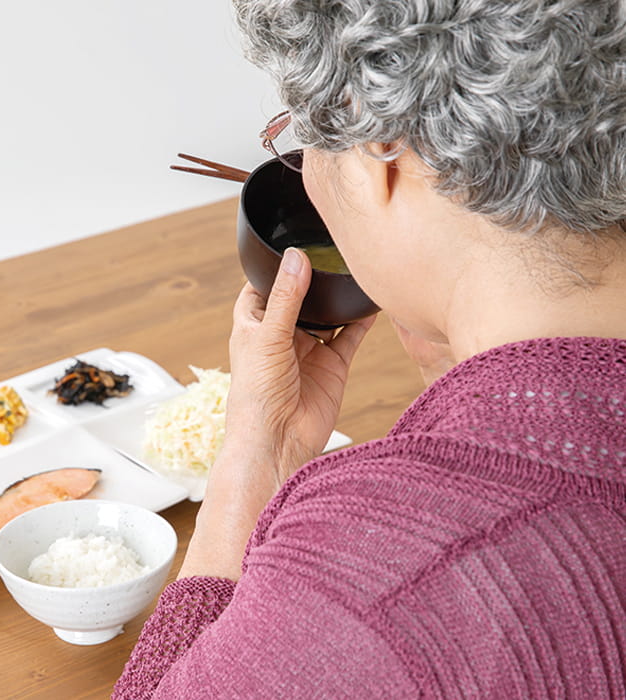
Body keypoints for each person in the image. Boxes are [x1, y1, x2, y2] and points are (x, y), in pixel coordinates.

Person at [114, 1, 626, 698]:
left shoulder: (373, 579)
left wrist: (250, 465)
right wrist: (476, 400)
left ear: (380, 141)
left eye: (305, 138)